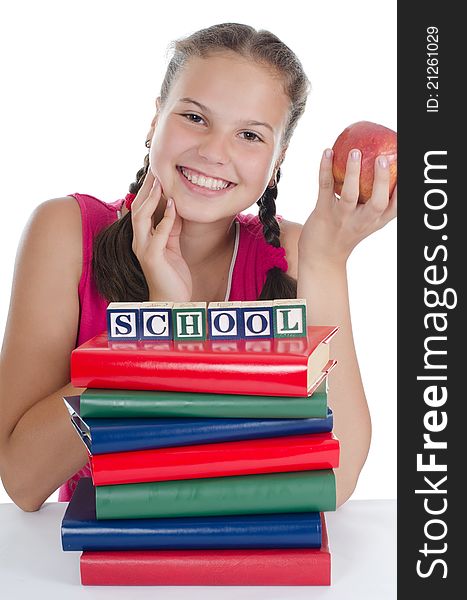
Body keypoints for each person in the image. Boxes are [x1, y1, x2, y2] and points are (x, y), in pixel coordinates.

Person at [0, 23, 396, 511]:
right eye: (194, 117)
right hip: (102, 569)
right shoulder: (66, 231)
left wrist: (327, 261)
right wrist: (158, 328)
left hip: (245, 559)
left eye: (250, 135)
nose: (213, 152)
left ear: (277, 161)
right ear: (155, 122)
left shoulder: (296, 252)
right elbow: (22, 479)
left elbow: (335, 480)